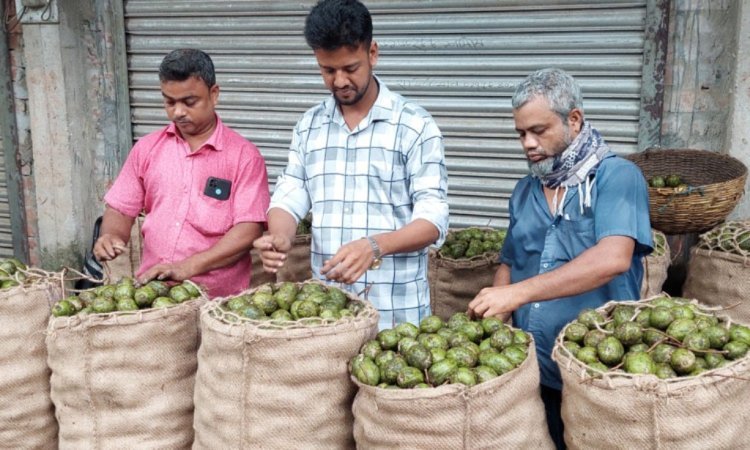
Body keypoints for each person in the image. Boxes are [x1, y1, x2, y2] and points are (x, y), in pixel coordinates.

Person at [468, 68, 652, 449]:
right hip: (531, 371)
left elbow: (612, 259)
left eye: (539, 130)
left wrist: (517, 294)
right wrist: (498, 313)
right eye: (521, 134)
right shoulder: (525, 191)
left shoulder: (617, 177)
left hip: (598, 373)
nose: (528, 144)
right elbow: (510, 262)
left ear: (574, 120)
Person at [253, 0, 449, 329]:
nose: (340, 81)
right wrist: (281, 237)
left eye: (350, 68)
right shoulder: (309, 125)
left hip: (395, 318)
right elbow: (291, 192)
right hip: (328, 314)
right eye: (328, 70)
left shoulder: (414, 125)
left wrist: (374, 246)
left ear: (372, 53)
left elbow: (433, 219)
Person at [94, 49, 270, 298]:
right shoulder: (146, 149)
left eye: (189, 102)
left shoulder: (244, 156)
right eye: (169, 102)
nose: (178, 112)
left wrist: (187, 267)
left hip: (217, 299)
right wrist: (111, 235)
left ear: (214, 94)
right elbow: (121, 208)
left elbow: (248, 229)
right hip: (155, 295)